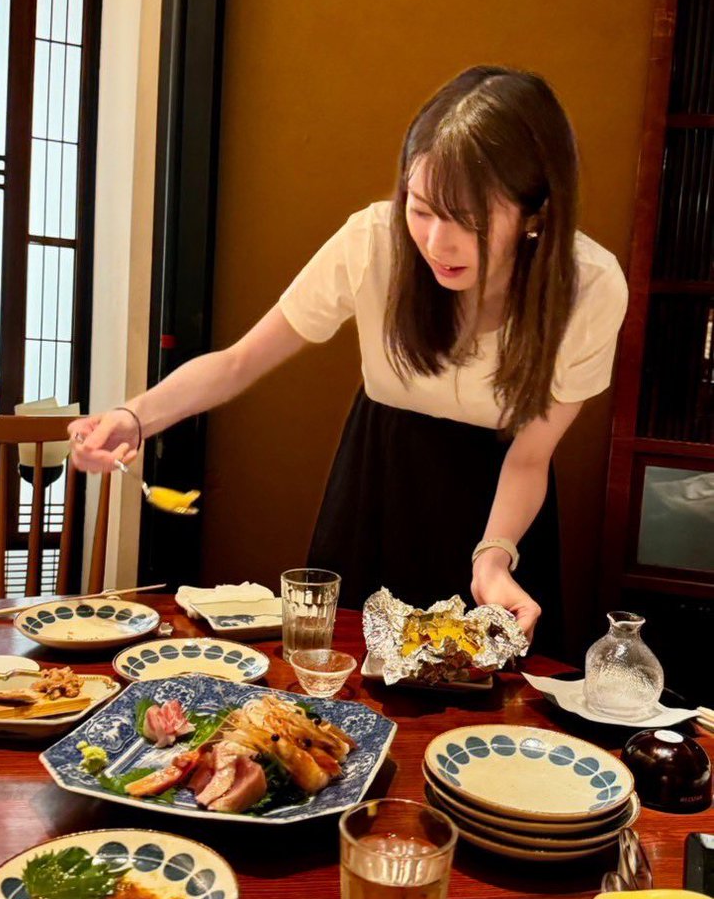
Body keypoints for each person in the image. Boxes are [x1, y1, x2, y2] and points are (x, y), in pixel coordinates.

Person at [69, 66, 628, 656]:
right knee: (340, 679)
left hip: (500, 504)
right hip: (377, 482)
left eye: (470, 220)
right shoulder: (372, 242)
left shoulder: (587, 287)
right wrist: (133, 417)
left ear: (535, 214)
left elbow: (530, 455)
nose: (437, 243)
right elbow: (238, 362)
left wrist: (493, 558)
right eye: (421, 209)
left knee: (492, 689)